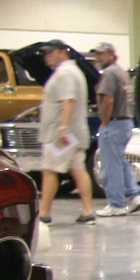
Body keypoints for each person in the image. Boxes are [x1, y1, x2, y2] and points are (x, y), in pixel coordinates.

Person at [37, 40, 95, 225]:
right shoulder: (74, 72)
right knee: (78, 170)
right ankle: (88, 211)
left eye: (51, 52)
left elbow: (69, 101)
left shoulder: (65, 74)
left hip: (62, 134)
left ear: (63, 52)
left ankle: (43, 214)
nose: (47, 56)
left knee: (49, 170)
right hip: (74, 133)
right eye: (46, 54)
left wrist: (62, 128)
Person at [90, 42, 140, 216]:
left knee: (110, 166)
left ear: (112, 55)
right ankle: (135, 195)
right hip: (126, 122)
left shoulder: (109, 73)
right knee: (120, 162)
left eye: (102, 54)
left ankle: (116, 204)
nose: (98, 57)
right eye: (97, 54)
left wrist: (105, 122)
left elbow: (108, 100)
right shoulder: (122, 73)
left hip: (113, 123)